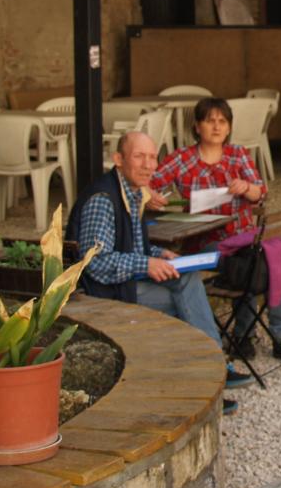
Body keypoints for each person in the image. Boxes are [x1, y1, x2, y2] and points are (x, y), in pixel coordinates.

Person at [67, 131, 251, 414]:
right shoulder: (103, 199)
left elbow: (132, 246)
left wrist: (158, 254)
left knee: (186, 277)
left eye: (153, 157)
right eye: (139, 156)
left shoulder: (132, 191)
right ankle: (211, 375)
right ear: (118, 159)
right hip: (101, 291)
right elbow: (95, 263)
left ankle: (211, 373)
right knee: (185, 303)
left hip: (124, 282)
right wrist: (146, 264)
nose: (148, 165)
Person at [149, 97, 281, 362]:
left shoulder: (237, 155)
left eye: (222, 121)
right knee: (263, 258)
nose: (217, 126)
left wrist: (246, 188)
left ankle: (253, 335)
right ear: (197, 126)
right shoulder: (183, 158)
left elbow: (260, 193)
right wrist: (150, 196)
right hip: (205, 242)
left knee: (263, 258)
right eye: (210, 121)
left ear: (229, 127)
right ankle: (275, 336)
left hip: (243, 238)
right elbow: (149, 183)